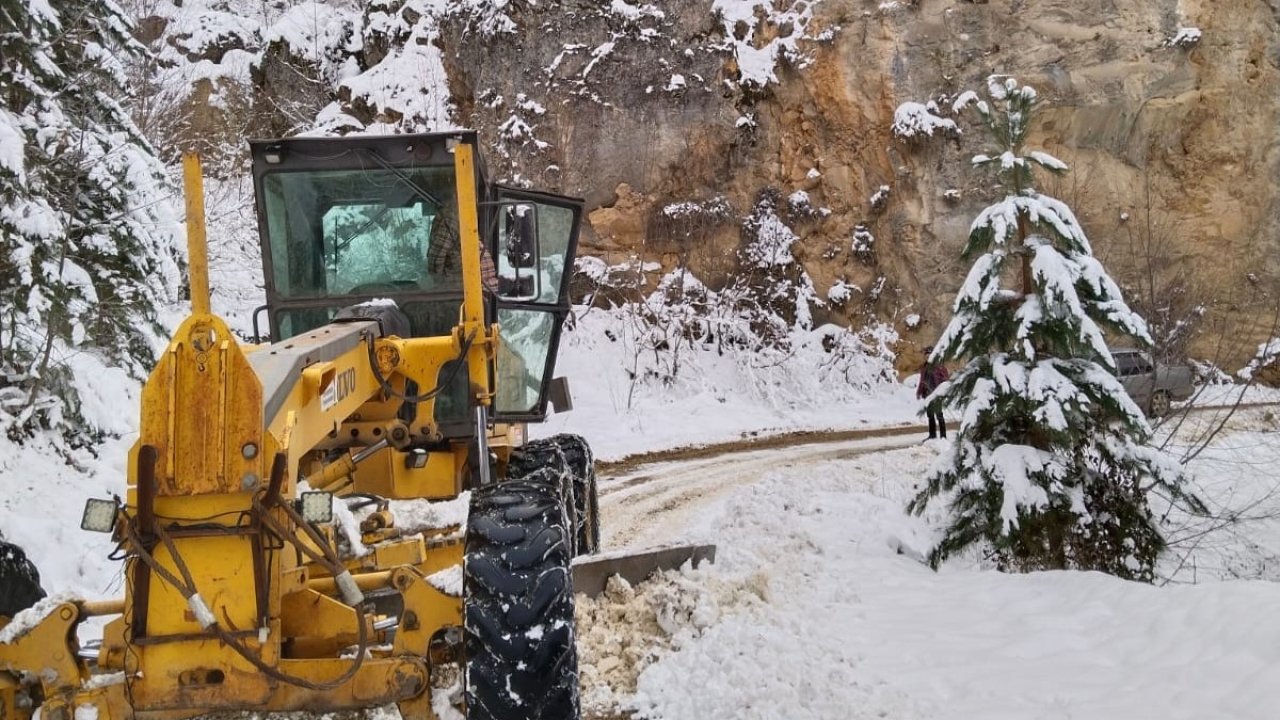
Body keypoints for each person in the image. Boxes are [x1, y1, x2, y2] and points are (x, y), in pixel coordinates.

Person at [917, 345, 950, 440]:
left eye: (929, 355)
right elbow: (922, 380)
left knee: (939, 414)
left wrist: (942, 390)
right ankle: (932, 435)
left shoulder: (939, 366)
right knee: (930, 414)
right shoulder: (924, 367)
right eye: (926, 355)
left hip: (937, 393)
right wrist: (920, 391)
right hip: (927, 394)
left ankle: (943, 436)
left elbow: (946, 379)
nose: (927, 357)